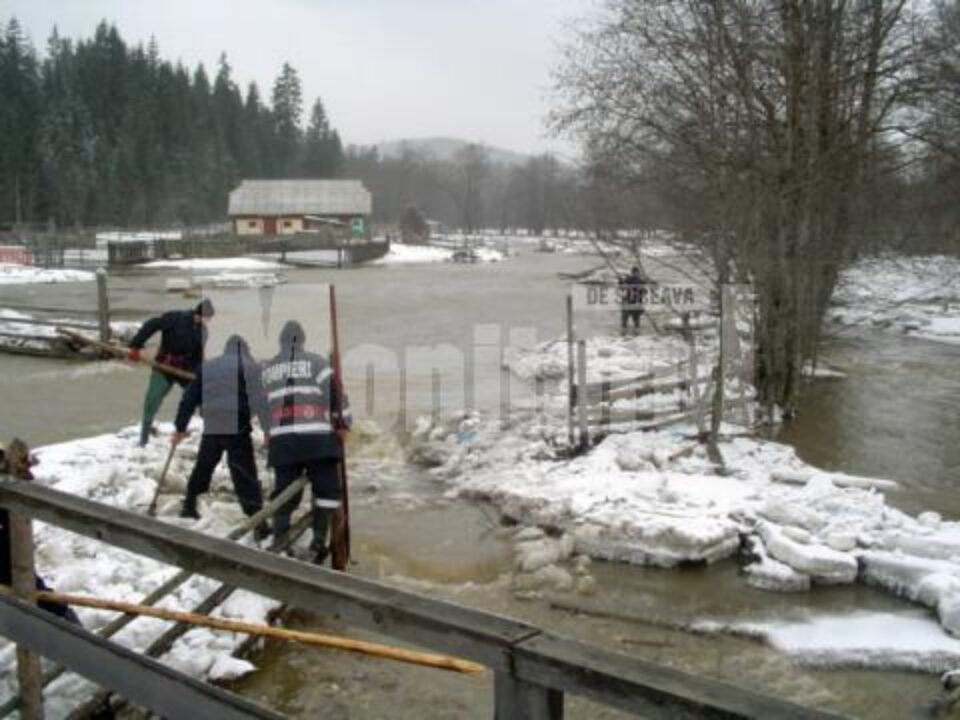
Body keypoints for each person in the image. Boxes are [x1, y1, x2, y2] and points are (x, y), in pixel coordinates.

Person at [259, 320, 350, 565]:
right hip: (317, 440)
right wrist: (342, 423)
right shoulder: (318, 363)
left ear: (281, 342)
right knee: (328, 491)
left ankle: (280, 542)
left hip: (283, 443)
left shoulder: (266, 370)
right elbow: (336, 394)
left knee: (284, 495)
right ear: (303, 341)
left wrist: (268, 432)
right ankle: (318, 543)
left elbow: (261, 406)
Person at [171, 335, 270, 541]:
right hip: (237, 425)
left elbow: (189, 398)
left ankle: (189, 505)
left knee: (204, 465)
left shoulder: (207, 367)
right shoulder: (250, 367)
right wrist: (269, 430)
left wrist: (180, 427)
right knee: (244, 472)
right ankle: (258, 522)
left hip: (213, 423)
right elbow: (261, 401)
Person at [128, 300, 214, 447]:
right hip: (164, 367)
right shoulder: (175, 318)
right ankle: (143, 439)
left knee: (201, 398)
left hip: (185, 371)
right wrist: (136, 346)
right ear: (199, 313)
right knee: (152, 400)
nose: (207, 321)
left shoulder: (203, 331)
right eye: (207, 317)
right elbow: (152, 325)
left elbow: (198, 356)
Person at [619, 266, 646, 333]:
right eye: (637, 273)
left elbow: (622, 287)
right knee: (636, 323)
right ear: (637, 273)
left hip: (629, 303)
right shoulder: (639, 281)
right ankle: (635, 333)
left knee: (625, 322)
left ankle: (624, 332)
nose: (637, 274)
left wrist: (620, 281)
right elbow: (644, 292)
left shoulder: (628, 280)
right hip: (634, 304)